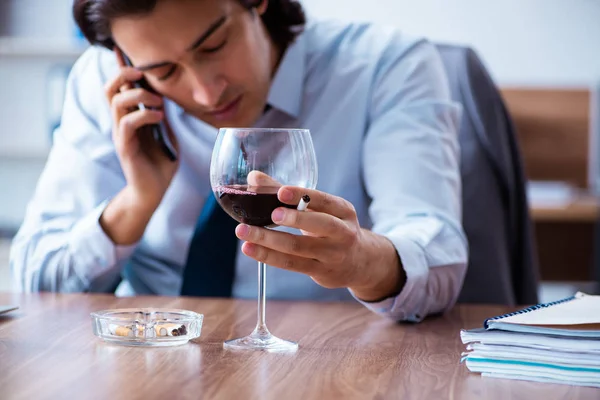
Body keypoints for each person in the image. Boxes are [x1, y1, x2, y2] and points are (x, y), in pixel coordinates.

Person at [10, 0, 467, 322]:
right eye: (164, 71)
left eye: (213, 45)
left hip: (330, 354)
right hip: (153, 353)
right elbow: (37, 285)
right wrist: (136, 201)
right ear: (124, 60)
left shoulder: (385, 66)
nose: (207, 93)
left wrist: (363, 261)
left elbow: (439, 251)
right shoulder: (102, 86)